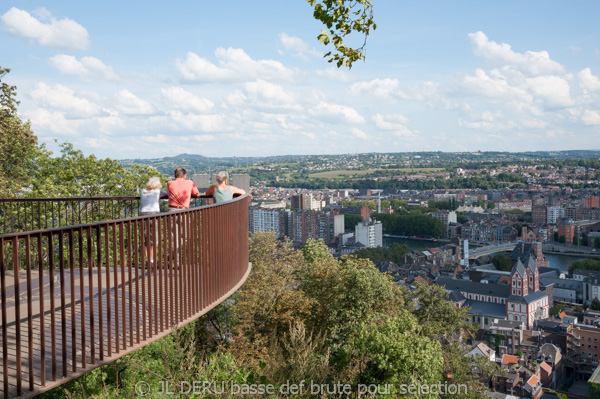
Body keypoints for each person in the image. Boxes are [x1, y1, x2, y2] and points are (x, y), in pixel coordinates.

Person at [140, 176, 167, 265]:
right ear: (157, 185)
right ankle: (151, 259)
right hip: (153, 214)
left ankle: (148, 258)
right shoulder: (158, 192)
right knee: (153, 238)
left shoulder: (142, 191)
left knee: (145, 237)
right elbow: (167, 194)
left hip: (142, 215)